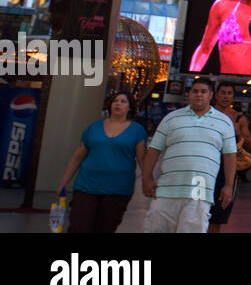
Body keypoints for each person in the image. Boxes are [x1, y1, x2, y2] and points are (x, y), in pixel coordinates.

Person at [142, 78, 236, 234]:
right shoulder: (171, 118)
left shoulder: (224, 122)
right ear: (189, 94)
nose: (199, 95)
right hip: (167, 189)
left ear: (211, 95)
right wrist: (146, 178)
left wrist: (228, 186)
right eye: (195, 91)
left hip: (200, 191)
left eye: (203, 91)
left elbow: (230, 156)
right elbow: (154, 150)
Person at [58, 91, 147, 234]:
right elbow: (78, 156)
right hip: (87, 185)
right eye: (115, 101)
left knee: (105, 228)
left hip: (118, 189)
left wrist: (148, 182)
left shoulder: (137, 130)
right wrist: (63, 183)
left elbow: (143, 160)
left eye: (123, 101)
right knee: (78, 227)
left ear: (130, 107)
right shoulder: (94, 127)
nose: (118, 104)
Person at [207, 82, 251, 233]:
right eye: (223, 93)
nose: (226, 96)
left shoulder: (239, 118)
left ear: (233, 96)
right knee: (198, 210)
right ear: (216, 95)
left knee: (218, 213)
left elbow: (250, 143)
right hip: (205, 166)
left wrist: (239, 133)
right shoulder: (207, 113)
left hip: (227, 169)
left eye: (229, 93)